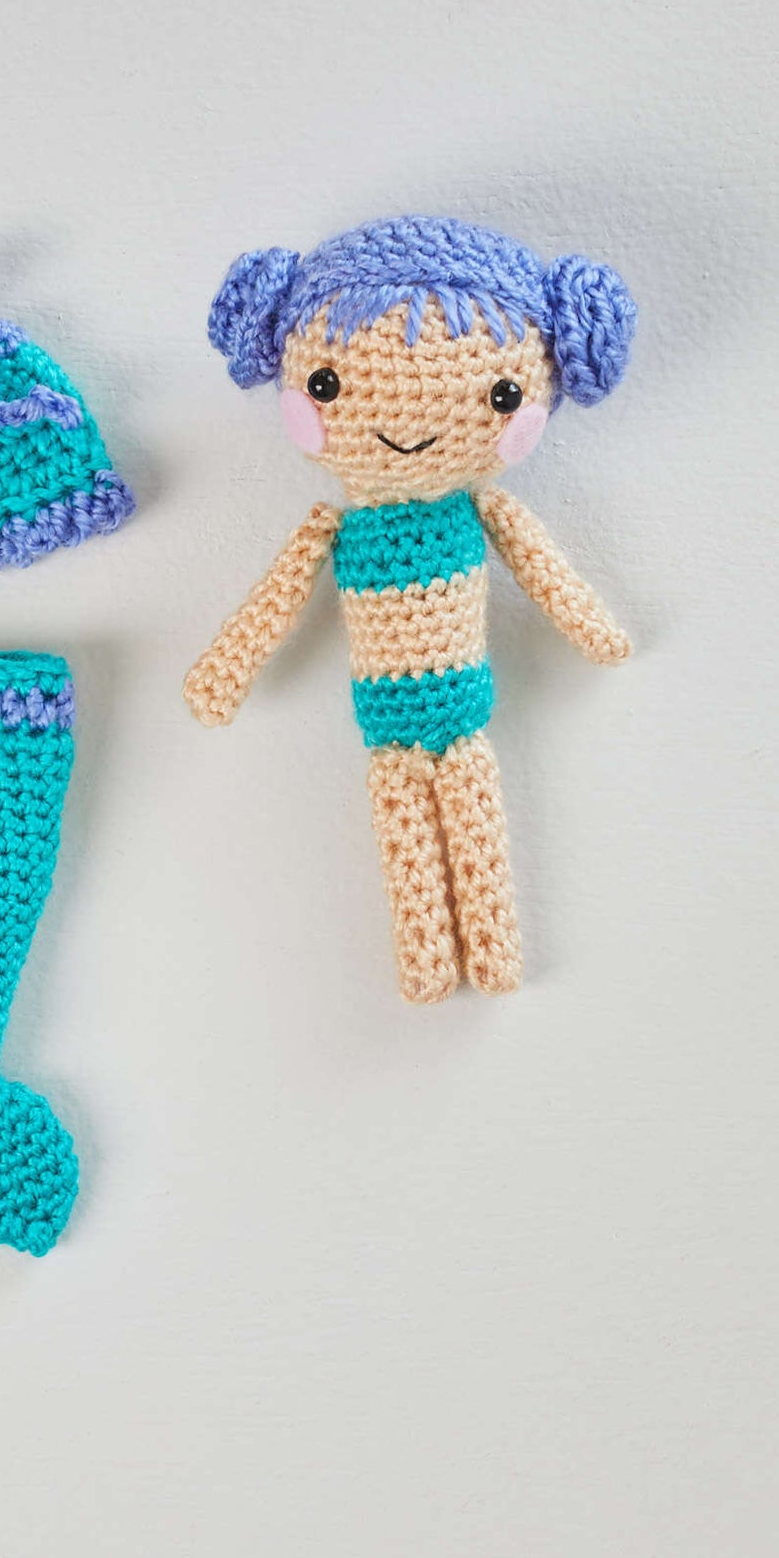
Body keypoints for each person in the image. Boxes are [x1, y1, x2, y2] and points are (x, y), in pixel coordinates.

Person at [185, 215, 638, 1002]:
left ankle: (491, 950)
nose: (407, 425)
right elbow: (274, 602)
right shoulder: (335, 530)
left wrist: (593, 630)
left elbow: (546, 574)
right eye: (327, 386)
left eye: (500, 396)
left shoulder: (482, 512)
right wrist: (225, 673)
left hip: (461, 719)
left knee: (471, 813)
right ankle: (429, 960)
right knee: (405, 830)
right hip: (389, 727)